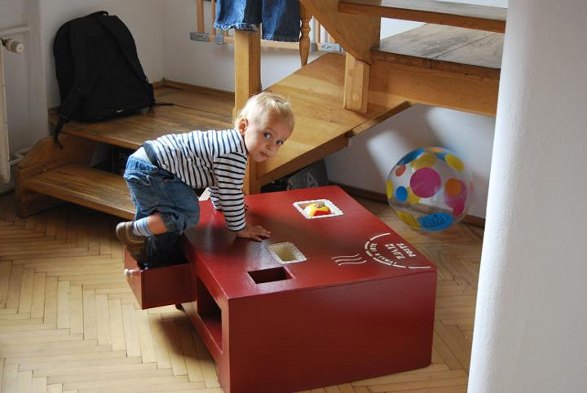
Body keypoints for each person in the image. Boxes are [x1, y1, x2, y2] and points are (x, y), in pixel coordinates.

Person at [115, 91, 294, 269]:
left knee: (161, 218)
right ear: (243, 126)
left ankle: (149, 256)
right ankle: (135, 232)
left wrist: (221, 204)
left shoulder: (229, 144)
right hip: (155, 171)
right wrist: (241, 228)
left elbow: (218, 182)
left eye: (280, 142)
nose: (272, 146)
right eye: (267, 135)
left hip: (147, 163)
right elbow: (231, 193)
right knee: (187, 212)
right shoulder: (233, 153)